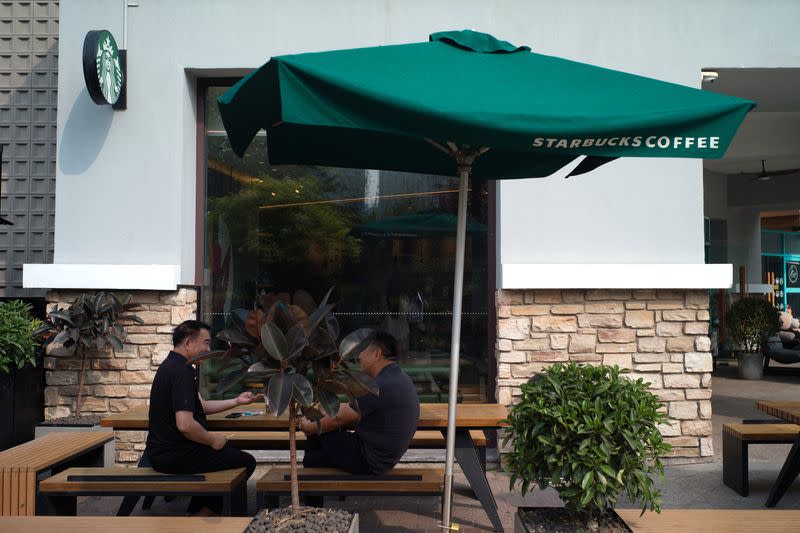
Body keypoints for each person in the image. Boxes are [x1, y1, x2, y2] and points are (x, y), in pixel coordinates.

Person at [146, 320, 260, 516]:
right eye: (205, 343)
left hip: (162, 452)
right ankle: (200, 518)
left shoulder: (173, 366)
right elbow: (185, 425)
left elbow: (201, 406)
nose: (208, 349)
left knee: (222, 458)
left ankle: (195, 514)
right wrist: (212, 439)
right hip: (172, 455)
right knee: (245, 461)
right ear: (188, 343)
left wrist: (236, 401)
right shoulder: (181, 371)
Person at [299, 330, 420, 474]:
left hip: (369, 459)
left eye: (362, 351)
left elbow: (338, 419)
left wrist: (308, 427)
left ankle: (308, 484)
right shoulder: (395, 377)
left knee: (318, 432)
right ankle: (311, 474)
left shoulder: (379, 386)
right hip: (381, 457)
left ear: (376, 354)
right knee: (316, 456)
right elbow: (349, 409)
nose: (359, 355)